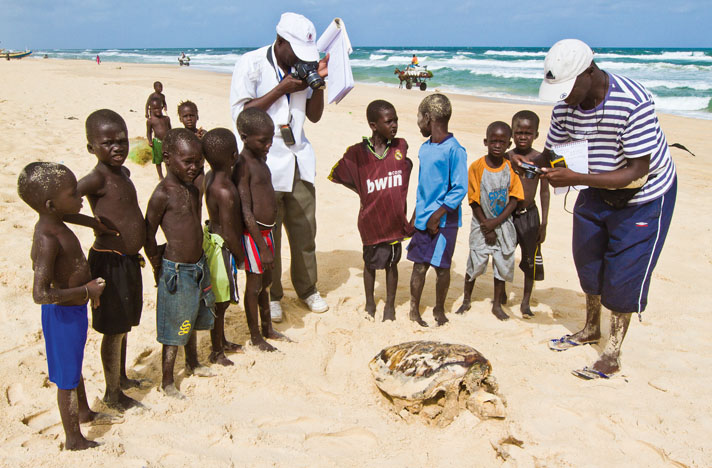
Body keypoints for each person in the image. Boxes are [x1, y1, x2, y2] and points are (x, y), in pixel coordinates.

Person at [512, 39, 677, 379]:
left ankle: (612, 352)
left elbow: (636, 171)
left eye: (569, 88)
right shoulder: (564, 107)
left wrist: (574, 177)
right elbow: (552, 153)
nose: (565, 97)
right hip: (595, 186)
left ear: (590, 72)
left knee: (623, 273)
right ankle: (591, 327)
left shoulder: (632, 101)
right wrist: (529, 162)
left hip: (642, 195)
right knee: (588, 262)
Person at [230, 12, 330, 323]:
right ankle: (272, 295)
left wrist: (319, 85)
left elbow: (314, 117)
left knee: (304, 231)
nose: (302, 59)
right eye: (297, 51)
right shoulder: (251, 63)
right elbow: (240, 116)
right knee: (267, 233)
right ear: (281, 42)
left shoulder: (305, 65)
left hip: (299, 158)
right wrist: (282, 88)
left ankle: (307, 288)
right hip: (263, 164)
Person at [18, 162, 110, 450]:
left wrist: (94, 223)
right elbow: (40, 293)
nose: (80, 196)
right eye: (73, 193)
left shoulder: (56, 222)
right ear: (50, 204)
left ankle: (83, 412)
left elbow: (73, 215)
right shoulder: (47, 238)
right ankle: (73, 439)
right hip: (61, 314)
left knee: (75, 363)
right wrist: (86, 289)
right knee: (66, 378)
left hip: (74, 307)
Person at [78, 109, 146, 410]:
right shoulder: (95, 179)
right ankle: (112, 393)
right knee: (113, 328)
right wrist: (94, 223)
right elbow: (61, 203)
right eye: (108, 143)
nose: (118, 147)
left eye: (122, 140)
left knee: (124, 324)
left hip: (128, 260)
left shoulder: (124, 173)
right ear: (92, 147)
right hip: (108, 261)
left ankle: (121, 377)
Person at [145, 129, 216, 399]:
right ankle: (167, 381)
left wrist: (202, 142)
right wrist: (156, 265)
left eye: (198, 161)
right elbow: (148, 232)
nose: (194, 166)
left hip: (198, 265)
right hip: (176, 270)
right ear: (166, 159)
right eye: (187, 161)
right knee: (174, 327)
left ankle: (193, 362)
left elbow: (205, 162)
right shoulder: (163, 193)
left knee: (193, 317)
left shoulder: (193, 184)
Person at [328, 100, 413, 321]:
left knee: (392, 264)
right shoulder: (358, 153)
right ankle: (369, 303)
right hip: (371, 221)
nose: (394, 125)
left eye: (396, 120)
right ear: (373, 125)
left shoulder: (400, 147)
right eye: (389, 121)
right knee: (370, 263)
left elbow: (407, 166)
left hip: (394, 220)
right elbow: (339, 173)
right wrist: (362, 190)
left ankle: (390, 306)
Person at [407, 94, 468, 327]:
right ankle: (414, 309)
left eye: (419, 118)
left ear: (428, 117)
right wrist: (416, 214)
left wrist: (438, 214)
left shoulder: (455, 150)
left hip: (444, 222)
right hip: (424, 219)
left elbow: (460, 187)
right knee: (419, 265)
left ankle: (439, 309)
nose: (419, 123)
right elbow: (424, 187)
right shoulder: (424, 148)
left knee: (442, 268)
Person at [233, 108, 290, 351]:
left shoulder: (260, 159)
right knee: (254, 286)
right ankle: (256, 336)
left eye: (270, 139)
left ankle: (267, 328)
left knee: (265, 282)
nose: (268, 145)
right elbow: (246, 211)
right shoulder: (243, 165)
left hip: (267, 232)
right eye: (263, 140)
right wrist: (261, 247)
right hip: (253, 235)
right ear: (244, 137)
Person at [455, 122, 524, 321]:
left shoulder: (510, 167)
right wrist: (486, 224)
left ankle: (496, 304)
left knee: (502, 262)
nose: (497, 145)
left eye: (502, 142)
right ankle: (466, 300)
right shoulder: (477, 167)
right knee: (475, 261)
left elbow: (514, 198)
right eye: (493, 141)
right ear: (486, 141)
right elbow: (473, 200)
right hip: (481, 223)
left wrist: (496, 222)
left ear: (508, 143)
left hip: (503, 224)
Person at [202, 128, 245, 366]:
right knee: (221, 301)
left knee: (221, 298)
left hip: (212, 241)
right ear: (234, 155)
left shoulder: (210, 176)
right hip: (222, 249)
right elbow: (229, 231)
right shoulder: (225, 190)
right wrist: (240, 256)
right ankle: (216, 350)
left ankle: (222, 341)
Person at [505, 110, 550, 318]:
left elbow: (544, 191)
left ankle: (525, 301)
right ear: (512, 133)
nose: (523, 137)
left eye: (528, 133)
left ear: (536, 135)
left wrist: (545, 223)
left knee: (530, 259)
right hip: (508, 214)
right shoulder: (507, 157)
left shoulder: (540, 159)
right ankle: (501, 295)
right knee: (504, 254)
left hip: (530, 215)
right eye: (519, 132)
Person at [178, 100, 207, 197]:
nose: (189, 119)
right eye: (185, 116)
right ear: (180, 119)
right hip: (184, 173)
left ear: (197, 116)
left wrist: (200, 142)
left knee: (198, 199)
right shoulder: (179, 136)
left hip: (199, 172)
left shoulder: (203, 134)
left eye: (192, 115)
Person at [147, 97, 171, 180]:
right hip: (157, 142)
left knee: (168, 159)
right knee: (158, 161)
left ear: (162, 107)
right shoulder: (151, 121)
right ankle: (160, 176)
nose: (157, 110)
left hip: (167, 142)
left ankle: (169, 175)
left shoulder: (166, 119)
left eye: (159, 108)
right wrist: (150, 141)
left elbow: (170, 129)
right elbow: (149, 132)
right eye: (155, 109)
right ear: (152, 109)